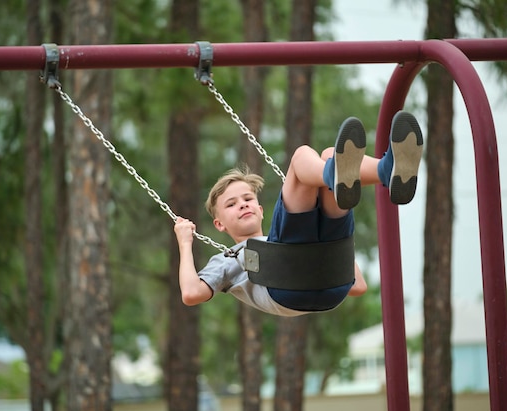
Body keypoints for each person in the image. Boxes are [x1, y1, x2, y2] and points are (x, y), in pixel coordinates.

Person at [174, 111, 423, 316]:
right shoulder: (229, 259)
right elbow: (192, 294)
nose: (242, 205)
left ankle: (384, 170)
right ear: (219, 224)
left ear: (261, 210)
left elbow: (356, 285)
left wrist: (338, 251)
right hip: (286, 287)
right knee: (303, 154)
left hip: (332, 286)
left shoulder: (277, 237)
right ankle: (364, 173)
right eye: (231, 204)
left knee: (329, 156)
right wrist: (185, 243)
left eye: (248, 198)